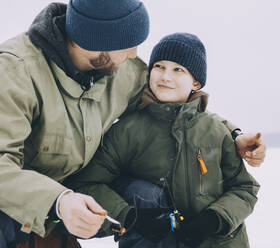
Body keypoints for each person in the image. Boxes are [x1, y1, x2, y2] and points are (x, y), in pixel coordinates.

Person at [0, 0, 265, 247]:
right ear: (94, 40)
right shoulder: (15, 71)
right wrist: (59, 202)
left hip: (77, 194)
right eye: (126, 45)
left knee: (147, 196)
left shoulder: (121, 68)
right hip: (21, 199)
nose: (135, 55)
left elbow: (179, 110)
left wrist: (233, 134)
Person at [67, 33, 260, 248]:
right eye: (159, 66)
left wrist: (214, 220)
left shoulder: (216, 130)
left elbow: (244, 188)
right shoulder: (128, 130)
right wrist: (130, 216)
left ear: (195, 81)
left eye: (178, 69)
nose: (165, 76)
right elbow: (87, 183)